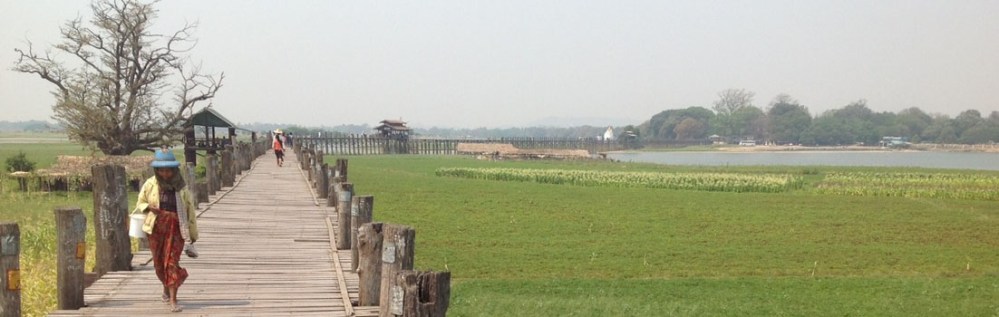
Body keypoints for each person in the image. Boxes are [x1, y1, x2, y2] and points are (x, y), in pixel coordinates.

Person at [132, 148, 198, 313]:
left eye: (168, 170)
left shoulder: (181, 188)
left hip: (176, 227)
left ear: (174, 170)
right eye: (161, 170)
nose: (165, 173)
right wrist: (149, 207)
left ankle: (173, 300)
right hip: (156, 227)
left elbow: (190, 211)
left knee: (171, 262)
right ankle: (166, 286)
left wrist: (193, 235)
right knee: (159, 264)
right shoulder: (150, 184)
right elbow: (140, 203)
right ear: (157, 170)